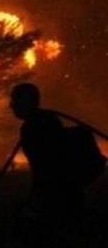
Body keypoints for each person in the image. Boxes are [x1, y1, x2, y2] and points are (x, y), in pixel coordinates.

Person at [9, 83, 83, 222]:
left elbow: (45, 170)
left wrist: (37, 202)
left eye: (15, 101)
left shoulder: (33, 126)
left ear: (25, 102)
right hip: (68, 193)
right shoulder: (47, 120)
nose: (11, 106)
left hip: (58, 197)